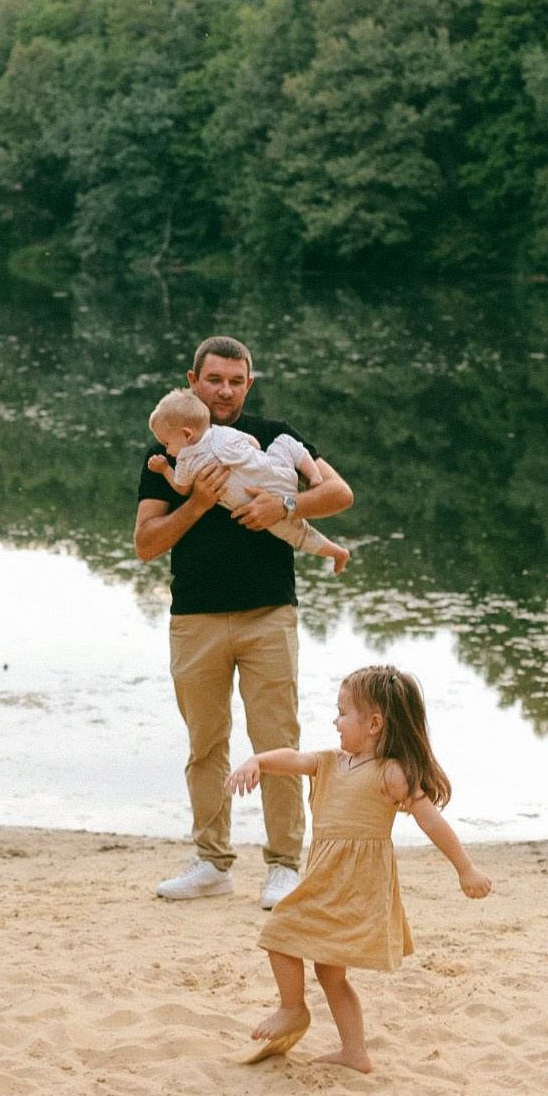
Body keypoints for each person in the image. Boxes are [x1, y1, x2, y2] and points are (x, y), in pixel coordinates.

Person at [135, 335, 353, 908]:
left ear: (248, 383)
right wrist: (198, 504)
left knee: (278, 742)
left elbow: (338, 492)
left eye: (236, 381)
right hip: (195, 619)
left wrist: (284, 506)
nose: (225, 391)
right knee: (205, 745)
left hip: (269, 614)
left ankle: (284, 866)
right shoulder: (171, 444)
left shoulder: (274, 434)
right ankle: (211, 863)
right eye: (214, 380)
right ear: (193, 380)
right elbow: (145, 545)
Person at [226, 665, 492, 1072]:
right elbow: (293, 757)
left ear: (373, 723)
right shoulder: (332, 762)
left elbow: (430, 820)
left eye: (342, 713)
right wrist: (257, 761)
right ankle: (355, 1053)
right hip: (325, 878)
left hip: (354, 886)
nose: (335, 720)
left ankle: (292, 1008)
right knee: (330, 973)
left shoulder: (391, 771)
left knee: (279, 932)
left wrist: (465, 867)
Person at [146, 389, 350, 574]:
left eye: (166, 443)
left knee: (298, 535)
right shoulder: (221, 432)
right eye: (215, 380)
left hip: (255, 502)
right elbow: (254, 442)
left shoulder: (183, 461)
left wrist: (164, 469)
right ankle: (314, 476)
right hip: (277, 472)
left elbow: (181, 488)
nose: (166, 450)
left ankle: (336, 552)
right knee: (285, 442)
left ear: (186, 434)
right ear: (194, 379)